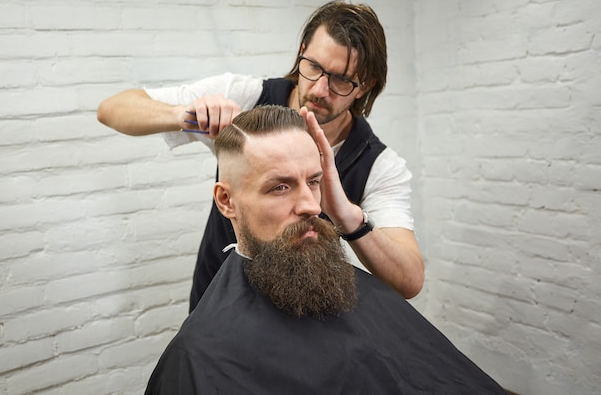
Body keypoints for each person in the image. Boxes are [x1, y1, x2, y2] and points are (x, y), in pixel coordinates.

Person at [143, 105, 508, 395]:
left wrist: (347, 212)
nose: (310, 206)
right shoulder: (198, 356)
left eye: (313, 181)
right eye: (280, 188)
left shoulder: (342, 278)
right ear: (227, 201)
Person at [97, 0, 424, 311]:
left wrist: (348, 217)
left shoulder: (379, 165)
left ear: (365, 86)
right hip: (220, 307)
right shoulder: (246, 99)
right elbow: (112, 109)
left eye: (341, 80)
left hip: (308, 324)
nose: (320, 89)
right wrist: (187, 115)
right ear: (302, 52)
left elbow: (409, 281)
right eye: (314, 67)